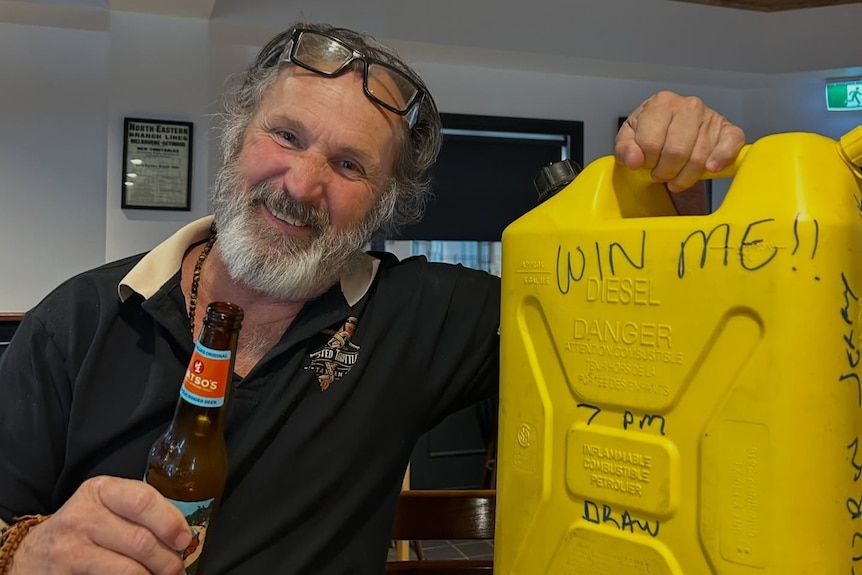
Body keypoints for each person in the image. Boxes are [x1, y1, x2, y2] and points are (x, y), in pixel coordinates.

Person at [0, 22, 745, 575]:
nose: (301, 184)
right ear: (236, 139)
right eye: (286, 135)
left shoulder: (419, 314)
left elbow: (629, 318)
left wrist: (669, 190)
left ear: (385, 206)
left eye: (349, 164)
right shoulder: (82, 317)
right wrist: (25, 548)